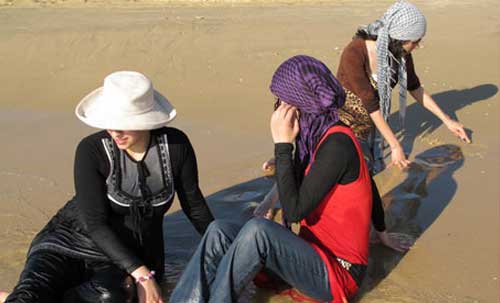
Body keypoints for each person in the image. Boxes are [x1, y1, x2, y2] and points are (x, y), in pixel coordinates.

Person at [170, 55, 375, 303]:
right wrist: (382, 230)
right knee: (219, 231)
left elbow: (295, 209)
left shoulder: (337, 143)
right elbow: (367, 188)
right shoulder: (314, 137)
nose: (277, 106)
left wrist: (282, 146)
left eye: (282, 101)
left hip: (338, 272)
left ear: (301, 103)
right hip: (308, 255)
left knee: (259, 231)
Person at [0, 71, 214, 303]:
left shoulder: (176, 146)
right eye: (110, 123)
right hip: (67, 241)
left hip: (125, 257)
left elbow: (195, 207)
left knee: (110, 297)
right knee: (30, 296)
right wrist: (141, 275)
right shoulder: (91, 150)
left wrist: (230, 246)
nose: (115, 132)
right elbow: (95, 224)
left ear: (147, 120)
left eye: (124, 124)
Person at [334, 0, 470, 250]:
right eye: (415, 40)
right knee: (349, 175)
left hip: (369, 125)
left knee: (365, 175)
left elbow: (415, 88)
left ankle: (370, 228)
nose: (418, 45)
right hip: (340, 120)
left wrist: (447, 120)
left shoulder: (400, 56)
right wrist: (395, 145)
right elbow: (371, 103)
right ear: (400, 37)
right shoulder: (354, 52)